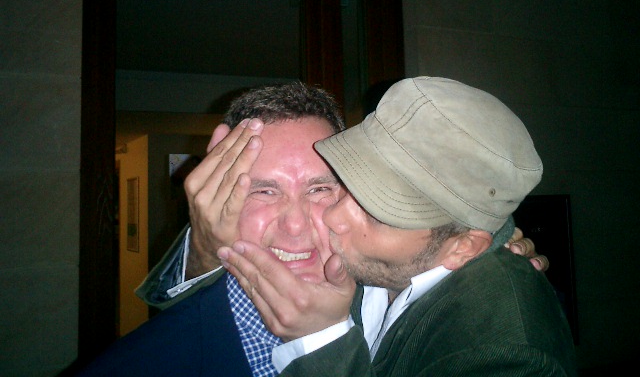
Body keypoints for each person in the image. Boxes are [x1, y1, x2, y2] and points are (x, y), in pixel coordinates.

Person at [76, 81, 548, 377]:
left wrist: (492, 240)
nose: (298, 224)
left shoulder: (387, 272)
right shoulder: (137, 366)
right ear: (216, 197)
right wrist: (203, 249)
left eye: (322, 189)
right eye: (264, 191)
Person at [218, 76, 577, 376]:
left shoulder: (506, 358)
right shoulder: (383, 262)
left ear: (463, 247)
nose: (332, 217)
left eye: (377, 211)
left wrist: (320, 342)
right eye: (349, 182)